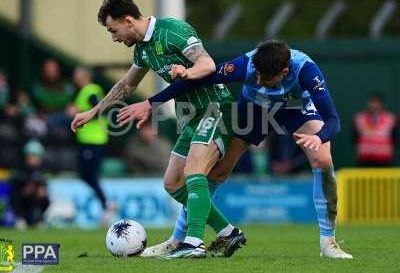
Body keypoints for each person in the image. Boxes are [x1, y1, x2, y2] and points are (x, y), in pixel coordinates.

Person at [127, 40, 353, 259]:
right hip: (254, 110)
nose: (259, 80)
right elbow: (200, 79)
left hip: (294, 109)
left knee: (323, 161)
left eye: (265, 79)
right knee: (216, 173)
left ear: (284, 72)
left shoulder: (307, 71)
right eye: (256, 75)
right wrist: (152, 102)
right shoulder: (247, 64)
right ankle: (178, 240)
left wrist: (319, 137)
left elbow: (333, 120)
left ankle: (328, 243)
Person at [70, 0, 245, 259]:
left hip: (215, 108)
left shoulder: (173, 31)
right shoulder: (142, 49)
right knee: (173, 183)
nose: (114, 37)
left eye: (113, 30)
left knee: (194, 170)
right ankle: (227, 232)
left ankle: (193, 243)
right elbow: (126, 85)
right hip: (191, 118)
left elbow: (207, 64)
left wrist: (186, 72)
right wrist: (94, 111)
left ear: (128, 20)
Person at [66, 66, 113, 224]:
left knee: (89, 175)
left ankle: (107, 203)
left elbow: (98, 110)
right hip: (87, 140)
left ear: (85, 76)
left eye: (77, 74)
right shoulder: (83, 91)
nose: (74, 77)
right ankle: (106, 203)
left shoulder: (91, 90)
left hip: (94, 140)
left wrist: (79, 111)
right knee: (85, 175)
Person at [10, 140, 50, 229]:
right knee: (17, 196)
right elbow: (14, 193)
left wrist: (41, 192)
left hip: (35, 203)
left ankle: (39, 219)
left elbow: (44, 190)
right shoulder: (18, 171)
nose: (36, 159)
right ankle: (20, 219)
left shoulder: (42, 171)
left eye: (38, 156)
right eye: (33, 156)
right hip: (22, 205)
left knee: (44, 196)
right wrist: (25, 191)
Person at [353, 93, 397, 167]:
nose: (374, 105)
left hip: (385, 161)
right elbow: (355, 138)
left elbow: (395, 138)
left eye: (377, 103)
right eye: (372, 102)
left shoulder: (390, 119)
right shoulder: (359, 118)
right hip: (364, 161)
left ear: (381, 104)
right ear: (368, 104)